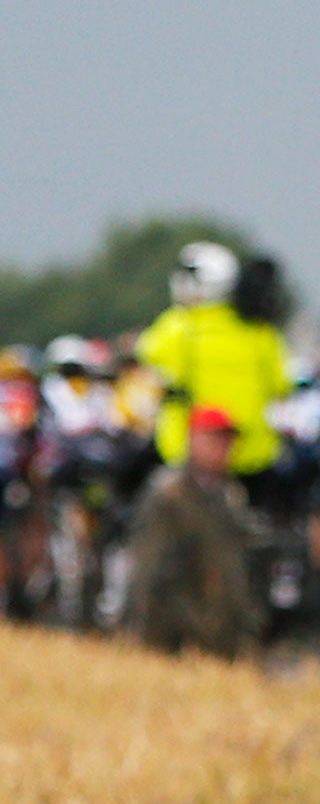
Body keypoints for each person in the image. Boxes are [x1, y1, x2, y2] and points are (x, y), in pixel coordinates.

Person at [137, 241, 292, 507]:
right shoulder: (260, 330)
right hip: (254, 453)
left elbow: (147, 359)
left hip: (185, 453)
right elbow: (282, 385)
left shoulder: (178, 325)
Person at [125, 406, 260, 658]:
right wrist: (153, 641)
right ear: (193, 440)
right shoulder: (168, 494)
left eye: (227, 441)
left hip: (222, 638)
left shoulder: (231, 494)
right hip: (176, 639)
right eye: (214, 440)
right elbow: (149, 572)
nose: (222, 449)